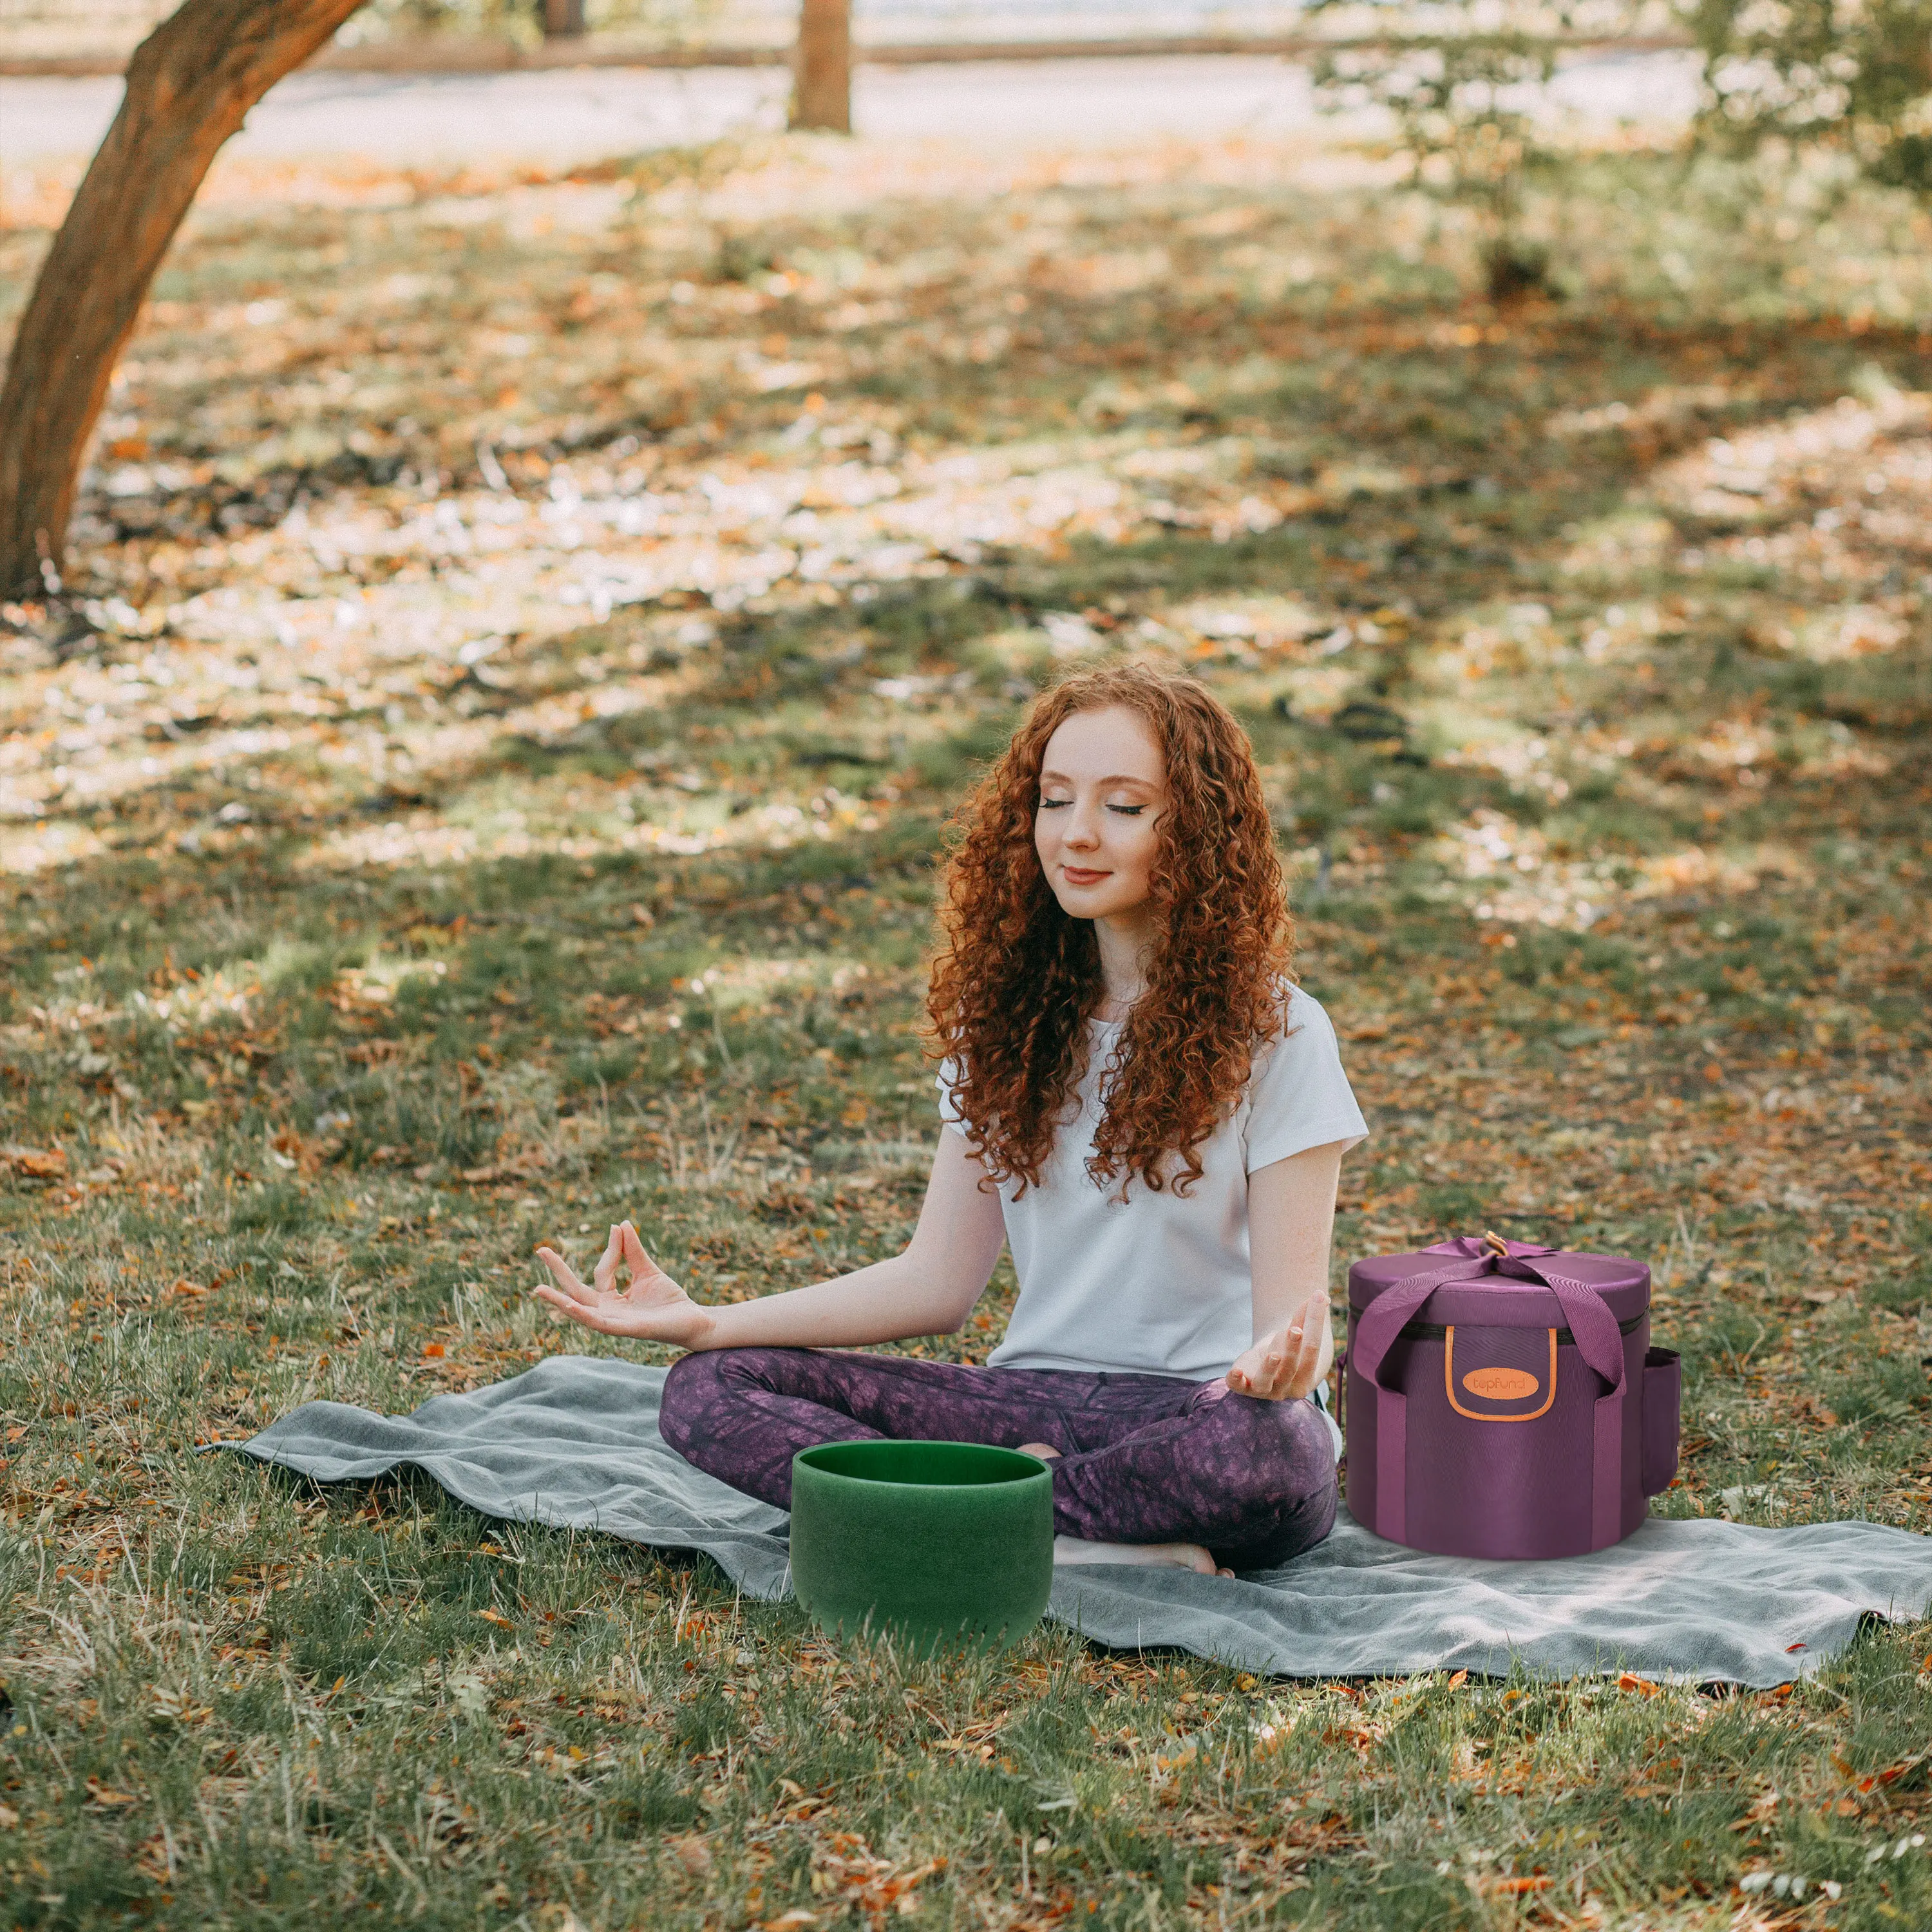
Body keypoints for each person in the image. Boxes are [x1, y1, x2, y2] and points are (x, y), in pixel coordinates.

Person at [533, 664, 1368, 1575]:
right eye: (1055, 801)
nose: (1077, 834)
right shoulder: (1005, 1023)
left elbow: (1299, 1324)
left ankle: (961, 1519)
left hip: (1195, 1419)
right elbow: (936, 1282)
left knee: (1274, 1447)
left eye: (1125, 808)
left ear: (1200, 831)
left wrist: (1279, 1369)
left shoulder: (1280, 1032)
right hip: (1024, 1405)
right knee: (710, 1389)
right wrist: (709, 1322)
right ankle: (1079, 1538)